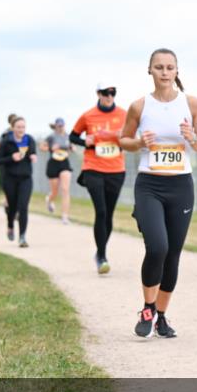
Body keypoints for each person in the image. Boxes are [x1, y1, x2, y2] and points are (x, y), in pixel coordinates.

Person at [120, 49, 197, 339]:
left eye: (170, 67)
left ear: (177, 70)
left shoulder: (192, 103)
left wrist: (192, 137)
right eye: (159, 67)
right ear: (150, 70)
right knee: (157, 247)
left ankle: (161, 316)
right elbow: (124, 141)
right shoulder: (139, 106)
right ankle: (147, 308)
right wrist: (138, 142)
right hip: (150, 185)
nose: (165, 72)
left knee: (172, 255)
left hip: (181, 186)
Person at [71, 82, 128, 274]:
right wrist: (85, 142)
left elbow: (131, 138)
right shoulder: (88, 115)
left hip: (116, 169)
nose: (110, 96)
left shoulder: (123, 114)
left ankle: (100, 252)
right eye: (106, 93)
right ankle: (102, 257)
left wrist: (124, 137)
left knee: (109, 214)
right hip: (93, 167)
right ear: (98, 93)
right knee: (101, 211)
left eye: (113, 92)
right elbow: (73, 136)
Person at [0, 116, 37, 247]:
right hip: (10, 178)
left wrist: (33, 156)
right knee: (12, 206)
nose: (21, 129)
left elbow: (33, 152)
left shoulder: (29, 140)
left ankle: (22, 237)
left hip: (25, 178)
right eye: (18, 127)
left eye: (23, 127)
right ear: (13, 128)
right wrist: (11, 158)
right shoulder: (6, 142)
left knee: (23, 207)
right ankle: (10, 226)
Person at [41, 117, 74, 225]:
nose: (60, 128)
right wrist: (51, 149)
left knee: (65, 189)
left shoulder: (68, 136)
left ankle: (65, 216)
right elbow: (42, 147)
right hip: (53, 163)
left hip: (64, 163)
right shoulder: (51, 137)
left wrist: (72, 149)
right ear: (55, 126)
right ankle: (49, 200)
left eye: (62, 126)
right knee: (55, 192)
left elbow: (72, 147)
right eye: (58, 126)